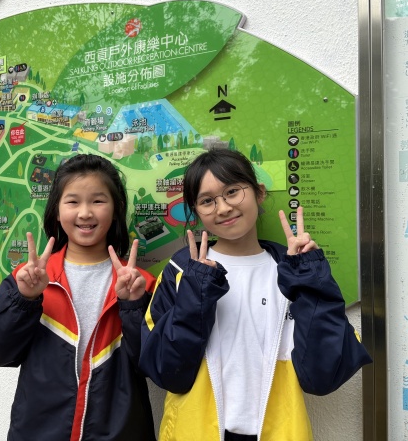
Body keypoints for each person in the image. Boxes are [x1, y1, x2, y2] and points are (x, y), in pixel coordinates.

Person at [139, 148, 372, 441]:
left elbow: (323, 376)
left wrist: (310, 278)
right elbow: (165, 372)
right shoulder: (181, 270)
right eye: (207, 201)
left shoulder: (294, 271)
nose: (223, 208)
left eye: (232, 192)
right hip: (195, 431)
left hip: (280, 433)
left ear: (259, 193)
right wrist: (196, 290)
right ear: (195, 211)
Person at [0, 154, 156, 441]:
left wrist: (133, 306)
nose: (85, 213)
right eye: (73, 202)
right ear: (57, 212)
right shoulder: (29, 279)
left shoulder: (140, 285)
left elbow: (154, 365)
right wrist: (24, 300)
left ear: (116, 209)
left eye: (98, 201)